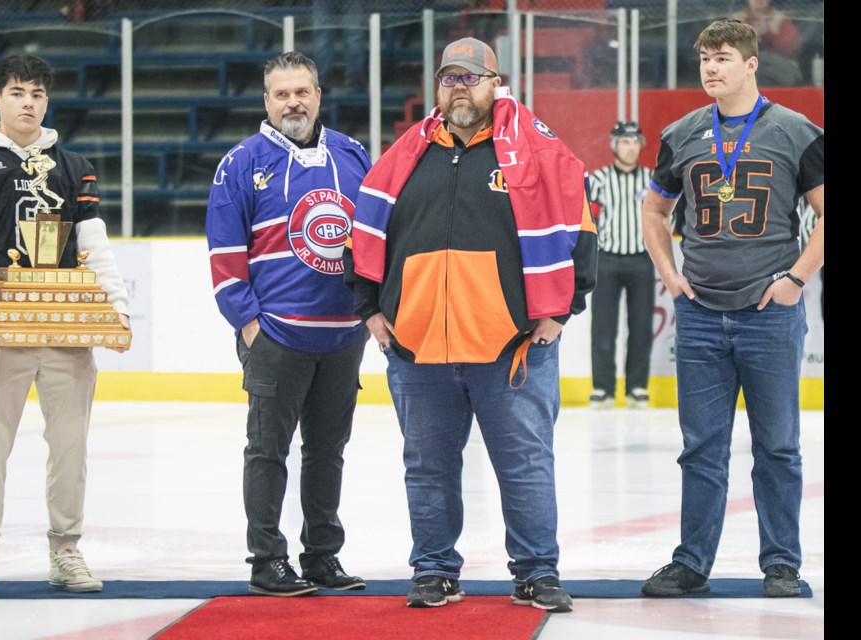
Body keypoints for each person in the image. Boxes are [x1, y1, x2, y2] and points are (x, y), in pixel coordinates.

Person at [345, 37, 597, 612]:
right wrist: (370, 312)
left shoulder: (538, 153)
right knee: (427, 466)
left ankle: (537, 571)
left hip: (512, 349)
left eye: (470, 77)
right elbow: (366, 237)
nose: (459, 88)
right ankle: (434, 569)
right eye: (448, 78)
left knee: (525, 464)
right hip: (418, 347)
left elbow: (580, 230)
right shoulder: (402, 159)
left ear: (494, 83)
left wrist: (560, 311)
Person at [640, 19, 823, 598]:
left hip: (769, 311)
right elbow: (653, 214)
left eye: (721, 58)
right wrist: (670, 275)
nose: (710, 68)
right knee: (701, 448)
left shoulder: (797, 132)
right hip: (698, 315)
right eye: (703, 59)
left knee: (777, 445)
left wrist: (796, 278)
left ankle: (782, 564)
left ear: (751, 64)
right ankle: (692, 562)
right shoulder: (681, 133)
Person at [206, 51, 370, 596]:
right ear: (267, 102)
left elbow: (374, 243)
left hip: (343, 338)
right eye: (281, 94)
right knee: (267, 450)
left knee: (328, 451)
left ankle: (322, 555)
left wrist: (368, 315)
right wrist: (251, 326)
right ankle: (267, 560)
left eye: (302, 92)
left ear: (319, 95)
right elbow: (225, 258)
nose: (293, 103)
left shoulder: (353, 155)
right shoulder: (241, 162)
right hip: (276, 338)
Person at [0, 55, 130, 596]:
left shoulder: (72, 166)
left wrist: (115, 308)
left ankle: (66, 550)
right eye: (18, 91)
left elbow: (93, 242)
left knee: (71, 449)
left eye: (38, 93)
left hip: (65, 328)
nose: (29, 102)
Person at [588, 121, 655, 409]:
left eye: (634, 141)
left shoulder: (652, 179)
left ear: (641, 145)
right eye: (624, 141)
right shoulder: (599, 178)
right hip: (608, 259)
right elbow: (583, 216)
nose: (630, 147)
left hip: (642, 259)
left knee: (641, 326)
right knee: (603, 327)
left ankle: (636, 387)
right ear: (614, 145)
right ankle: (602, 388)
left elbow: (666, 214)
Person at [731, 0, 803, 86]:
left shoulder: (779, 18)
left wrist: (769, 35)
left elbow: (793, 47)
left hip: (776, 73)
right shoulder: (737, 18)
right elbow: (727, 47)